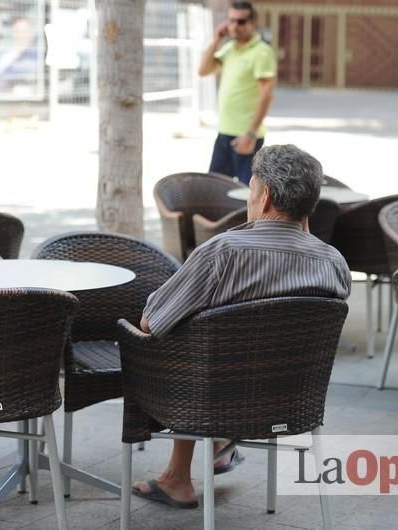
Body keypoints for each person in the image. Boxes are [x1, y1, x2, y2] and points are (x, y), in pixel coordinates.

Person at [132, 144, 351, 508]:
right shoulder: (334, 263)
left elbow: (151, 321)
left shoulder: (224, 253)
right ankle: (211, 450)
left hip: (211, 399)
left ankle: (185, 471)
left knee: (183, 334)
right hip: (291, 400)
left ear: (264, 198)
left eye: (251, 189)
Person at [198, 1, 276, 185]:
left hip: (246, 136)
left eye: (241, 22)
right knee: (215, 189)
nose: (235, 26)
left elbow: (266, 94)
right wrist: (216, 40)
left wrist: (250, 134)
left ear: (253, 22)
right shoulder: (229, 48)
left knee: (247, 194)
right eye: (231, 21)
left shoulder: (261, 52)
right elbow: (203, 70)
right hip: (224, 133)